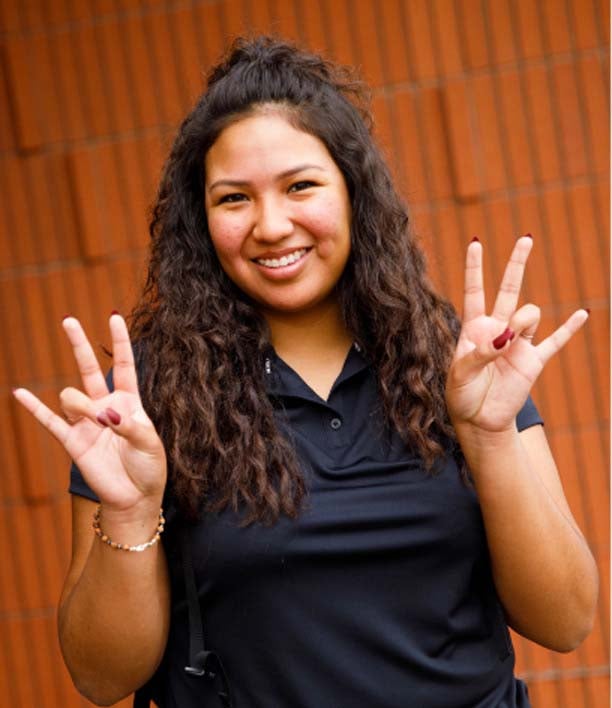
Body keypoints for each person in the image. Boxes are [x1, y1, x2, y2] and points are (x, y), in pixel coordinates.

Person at [13, 36, 597, 708]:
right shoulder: (144, 398)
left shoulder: (459, 362)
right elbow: (100, 677)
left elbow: (567, 620)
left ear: (353, 194)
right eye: (234, 199)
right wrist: (131, 511)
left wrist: (490, 436)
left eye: (300, 186)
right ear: (201, 222)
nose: (271, 224)